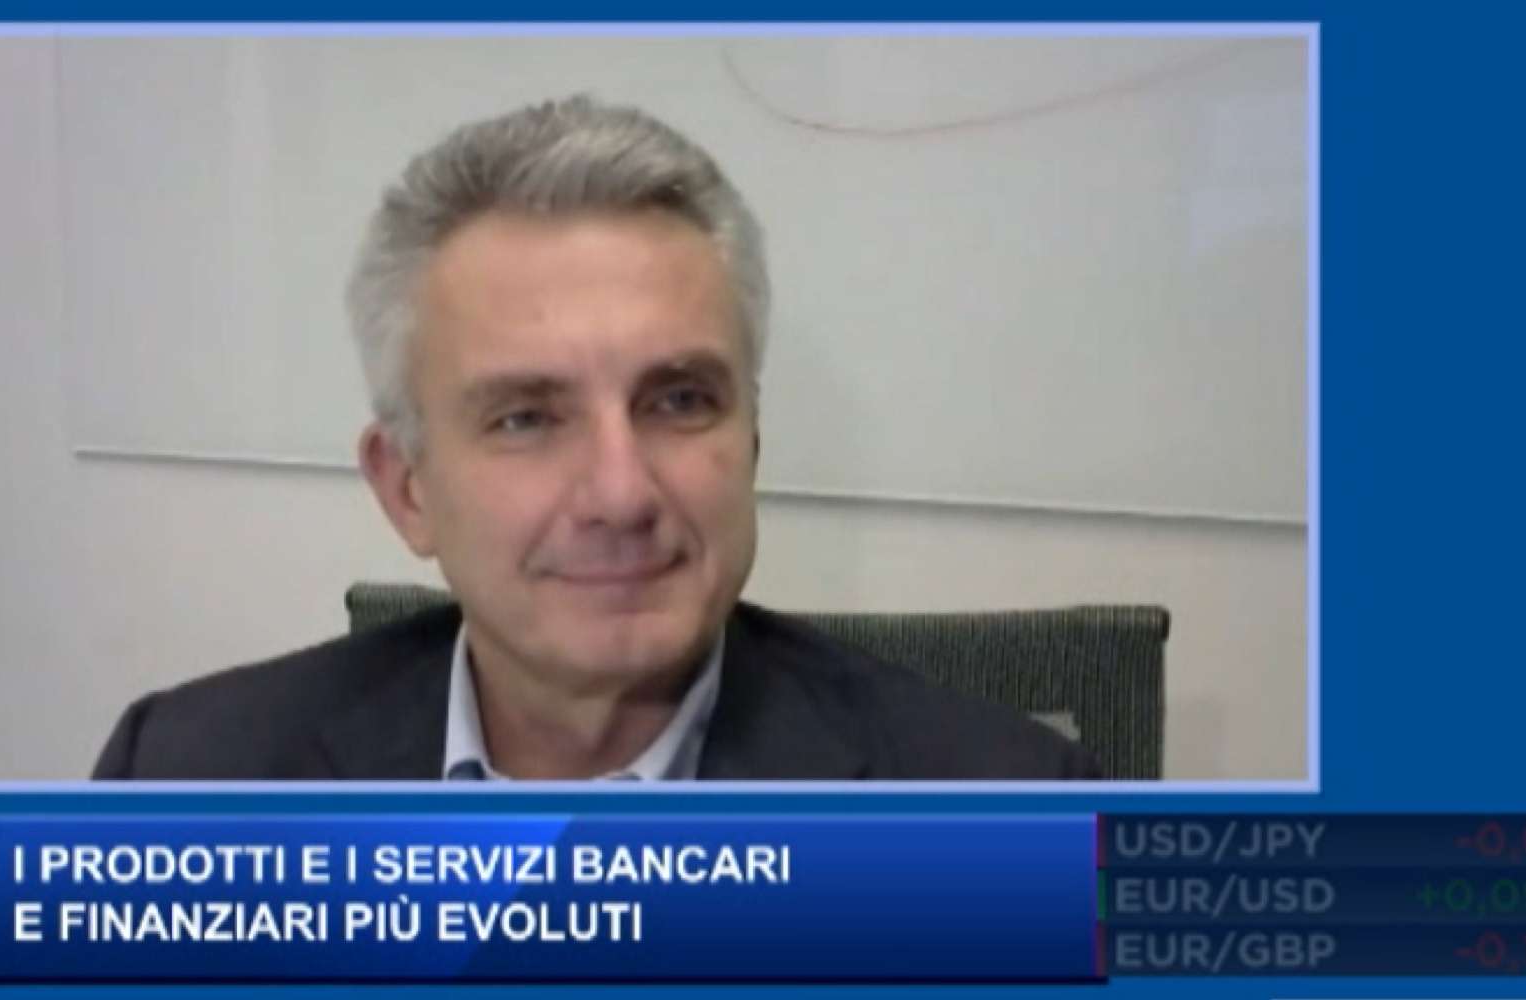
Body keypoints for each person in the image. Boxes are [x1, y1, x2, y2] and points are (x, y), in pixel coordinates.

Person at [93, 96, 1102, 782]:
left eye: (679, 401)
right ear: (406, 488)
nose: (621, 493)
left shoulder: (1017, 817)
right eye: (525, 418)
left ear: (751, 444)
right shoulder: (186, 780)